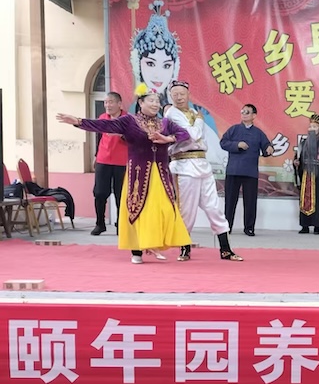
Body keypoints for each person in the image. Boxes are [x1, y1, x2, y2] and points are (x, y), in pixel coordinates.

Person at [56, 84, 191, 264]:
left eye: (157, 101)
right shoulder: (129, 121)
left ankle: (154, 243)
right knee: (138, 209)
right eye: (151, 100)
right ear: (141, 103)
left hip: (160, 175)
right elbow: (105, 125)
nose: (155, 104)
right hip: (138, 175)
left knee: (163, 210)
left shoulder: (165, 123)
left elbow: (184, 134)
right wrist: (79, 121)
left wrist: (168, 138)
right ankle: (137, 251)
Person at [130, 0, 226, 172]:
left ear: (174, 67)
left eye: (166, 65)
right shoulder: (135, 111)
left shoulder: (199, 112)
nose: (158, 74)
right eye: (150, 64)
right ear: (139, 65)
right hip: (146, 162)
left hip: (187, 164)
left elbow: (205, 144)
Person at [164, 81, 242, 261]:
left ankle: (225, 249)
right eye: (175, 94)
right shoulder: (171, 114)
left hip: (202, 162)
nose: (179, 97)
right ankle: (184, 247)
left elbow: (201, 139)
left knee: (214, 207)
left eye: (182, 93)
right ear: (170, 96)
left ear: (189, 95)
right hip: (184, 164)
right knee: (187, 209)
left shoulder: (193, 112)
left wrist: (198, 120)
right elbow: (193, 135)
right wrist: (199, 121)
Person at [220, 104, 273, 236]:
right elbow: (223, 143)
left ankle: (249, 228)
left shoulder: (258, 133)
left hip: (250, 172)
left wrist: (269, 148)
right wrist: (236, 145)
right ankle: (227, 227)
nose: (244, 114)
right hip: (233, 170)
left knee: (250, 201)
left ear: (254, 115)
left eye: (247, 112)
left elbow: (266, 145)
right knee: (230, 201)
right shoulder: (234, 129)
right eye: (242, 111)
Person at [91, 92, 127, 236]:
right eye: (106, 102)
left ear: (119, 104)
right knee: (99, 193)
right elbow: (98, 137)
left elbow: (134, 138)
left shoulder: (127, 119)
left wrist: (121, 135)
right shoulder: (102, 118)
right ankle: (100, 224)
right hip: (103, 159)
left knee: (120, 194)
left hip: (122, 161)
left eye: (111, 102)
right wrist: (96, 155)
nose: (107, 105)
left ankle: (121, 224)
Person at [294, 113, 319, 234]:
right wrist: (296, 163)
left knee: (318, 201)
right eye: (310, 126)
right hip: (306, 175)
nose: (312, 129)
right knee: (304, 200)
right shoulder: (303, 143)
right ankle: (305, 226)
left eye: (315, 127)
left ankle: (317, 226)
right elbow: (298, 158)